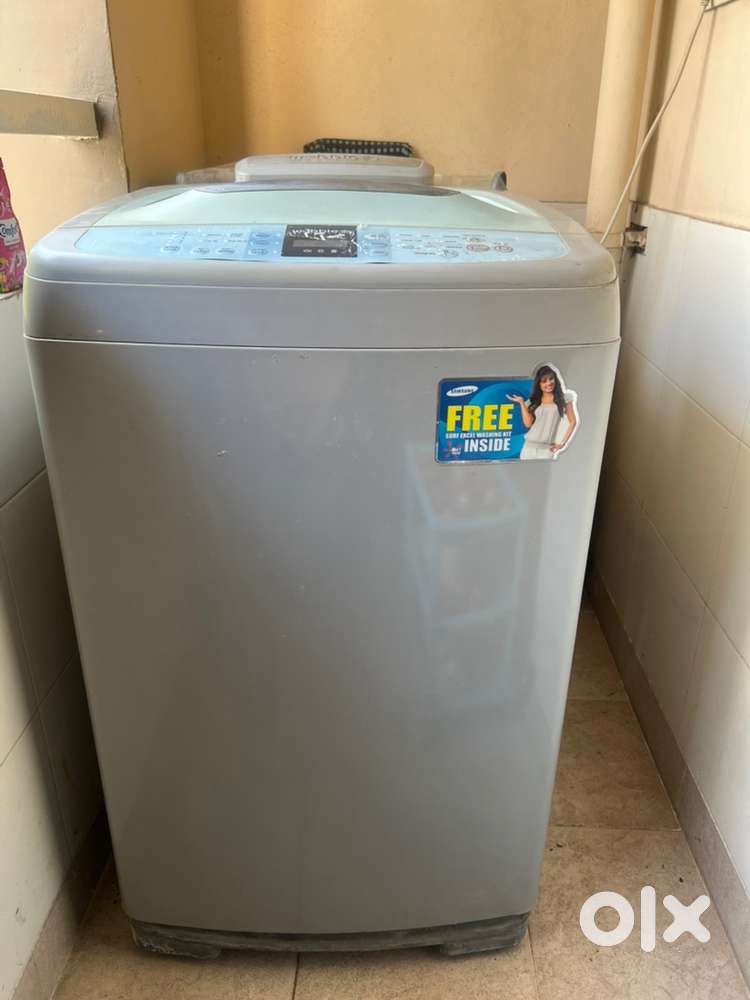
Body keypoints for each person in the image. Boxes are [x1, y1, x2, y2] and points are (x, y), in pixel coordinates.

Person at [507, 365, 578, 460]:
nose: (549, 383)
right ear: (539, 384)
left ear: (555, 379)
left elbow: (573, 422)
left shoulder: (564, 398)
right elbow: (528, 424)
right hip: (528, 448)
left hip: (546, 450)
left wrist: (562, 443)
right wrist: (522, 403)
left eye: (551, 379)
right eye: (544, 381)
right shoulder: (533, 401)